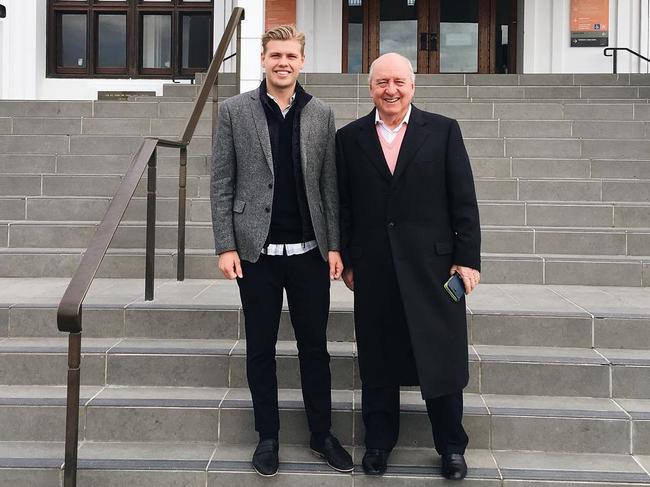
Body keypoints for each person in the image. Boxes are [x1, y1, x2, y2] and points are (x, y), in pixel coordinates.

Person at [210, 25, 352, 477]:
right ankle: (267, 438)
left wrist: (334, 245)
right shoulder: (234, 111)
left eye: (291, 55)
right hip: (256, 254)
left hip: (310, 254)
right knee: (260, 349)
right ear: (263, 59)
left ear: (302, 61)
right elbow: (221, 182)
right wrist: (225, 244)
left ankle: (321, 434)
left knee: (315, 349)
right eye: (275, 55)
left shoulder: (322, 113)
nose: (283, 62)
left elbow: (329, 184)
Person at [336, 52, 481, 480]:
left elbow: (464, 201)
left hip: (435, 271)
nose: (391, 90)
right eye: (382, 82)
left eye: (399, 81)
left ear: (413, 86)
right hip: (375, 268)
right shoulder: (349, 138)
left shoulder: (443, 131)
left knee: (441, 360)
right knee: (378, 360)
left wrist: (467, 259)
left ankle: (452, 447)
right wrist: (346, 255)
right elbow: (344, 205)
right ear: (371, 88)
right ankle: (379, 444)